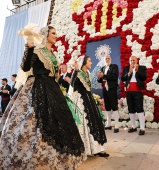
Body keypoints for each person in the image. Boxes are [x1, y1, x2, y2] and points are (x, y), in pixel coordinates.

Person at [0, 25, 85, 169]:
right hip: (38, 87)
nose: (55, 35)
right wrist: (29, 47)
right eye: (53, 33)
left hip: (52, 89)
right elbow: (26, 68)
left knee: (60, 121)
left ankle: (59, 161)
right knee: (36, 122)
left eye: (55, 33)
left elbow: (55, 75)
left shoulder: (51, 54)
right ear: (45, 35)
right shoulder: (37, 50)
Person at [69, 56, 109, 157]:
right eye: (90, 61)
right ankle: (84, 149)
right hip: (81, 101)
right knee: (84, 123)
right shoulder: (78, 72)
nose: (91, 63)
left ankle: (97, 148)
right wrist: (75, 71)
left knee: (94, 122)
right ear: (84, 63)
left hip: (89, 99)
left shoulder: (88, 73)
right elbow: (72, 85)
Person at [121, 56, 147, 135]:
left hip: (138, 90)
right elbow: (123, 78)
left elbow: (144, 77)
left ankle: (142, 128)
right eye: (131, 60)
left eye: (134, 60)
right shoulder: (126, 68)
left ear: (137, 60)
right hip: (129, 91)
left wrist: (137, 71)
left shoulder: (142, 68)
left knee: (139, 108)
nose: (132, 61)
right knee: (131, 108)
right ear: (129, 61)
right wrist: (129, 72)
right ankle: (133, 127)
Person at [97, 55, 120, 133]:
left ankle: (116, 125)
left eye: (108, 58)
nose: (107, 59)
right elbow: (100, 80)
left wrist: (104, 76)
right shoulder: (103, 68)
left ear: (111, 59)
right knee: (107, 106)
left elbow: (114, 77)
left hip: (112, 88)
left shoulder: (114, 66)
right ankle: (108, 124)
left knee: (114, 106)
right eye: (106, 58)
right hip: (104, 89)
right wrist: (99, 77)